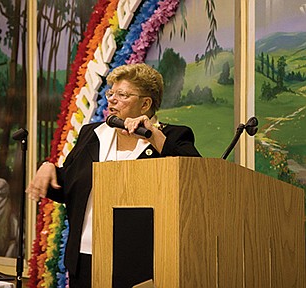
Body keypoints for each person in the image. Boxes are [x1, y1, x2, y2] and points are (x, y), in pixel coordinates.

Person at [26, 63, 201, 287]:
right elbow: (72, 187)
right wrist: (49, 170)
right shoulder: (92, 134)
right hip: (85, 259)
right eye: (111, 93)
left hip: (141, 264)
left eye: (123, 94)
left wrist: (153, 136)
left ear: (145, 103)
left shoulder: (172, 137)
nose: (112, 99)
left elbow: (195, 176)